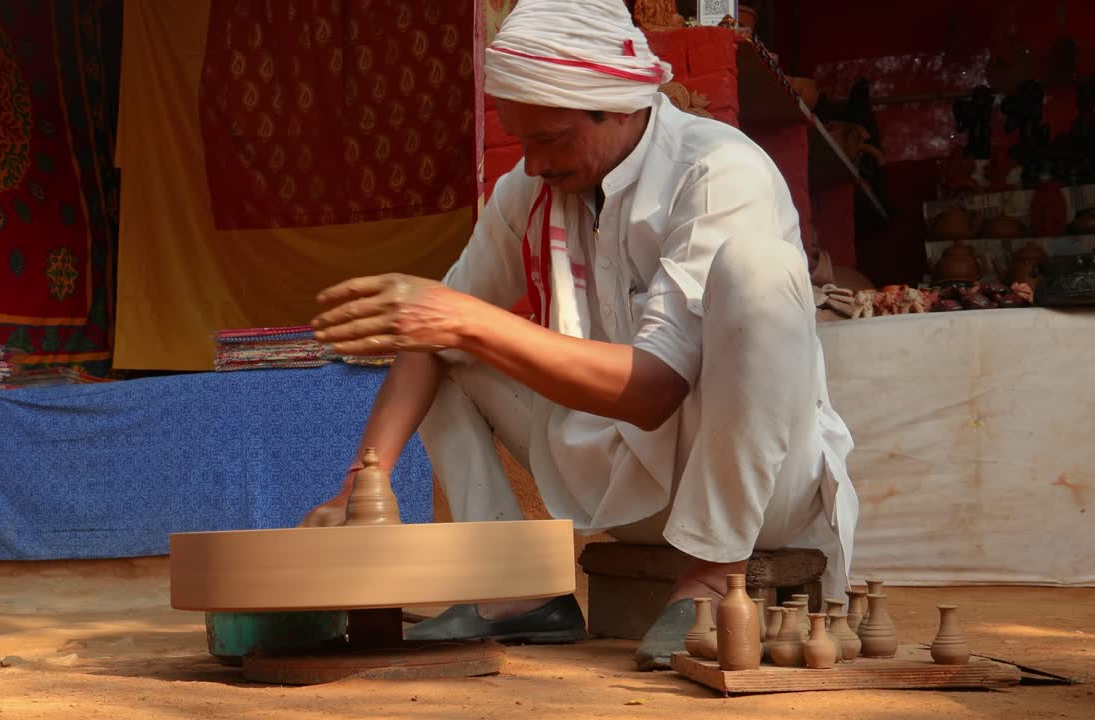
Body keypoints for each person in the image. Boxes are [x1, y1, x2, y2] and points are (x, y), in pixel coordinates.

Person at [300, 0, 858, 671]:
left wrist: (467, 320)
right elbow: (432, 330)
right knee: (439, 336)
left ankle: (713, 574)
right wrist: (360, 484)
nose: (532, 165)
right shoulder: (531, 191)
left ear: (617, 105)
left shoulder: (717, 171)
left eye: (550, 139)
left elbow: (653, 390)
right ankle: (513, 590)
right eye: (522, 141)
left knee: (758, 270)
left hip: (762, 492)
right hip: (628, 492)